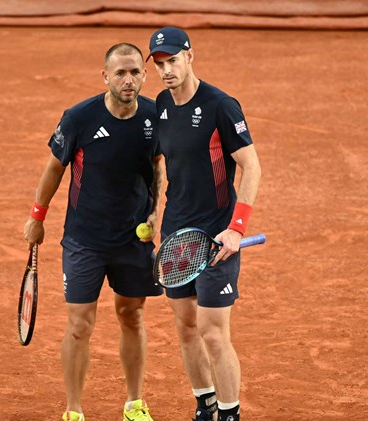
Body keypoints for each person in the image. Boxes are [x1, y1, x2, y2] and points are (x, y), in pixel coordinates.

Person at [23, 42, 163, 421]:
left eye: (135, 72)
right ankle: (74, 411)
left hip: (134, 241)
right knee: (79, 325)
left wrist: (155, 213)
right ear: (105, 77)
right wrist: (38, 217)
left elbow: (158, 168)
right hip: (84, 240)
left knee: (131, 316)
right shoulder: (79, 118)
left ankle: (134, 404)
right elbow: (54, 168)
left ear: (144, 76)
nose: (128, 79)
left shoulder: (155, 116)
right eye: (120, 72)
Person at [146, 27, 262, 421]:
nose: (166, 70)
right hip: (177, 236)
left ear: (190, 56)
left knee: (213, 332)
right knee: (186, 329)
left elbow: (251, 166)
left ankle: (230, 414)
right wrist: (151, 213)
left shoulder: (220, 105)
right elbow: (156, 165)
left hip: (217, 237)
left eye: (173, 60)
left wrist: (237, 227)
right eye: (159, 64)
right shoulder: (161, 105)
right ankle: (205, 405)